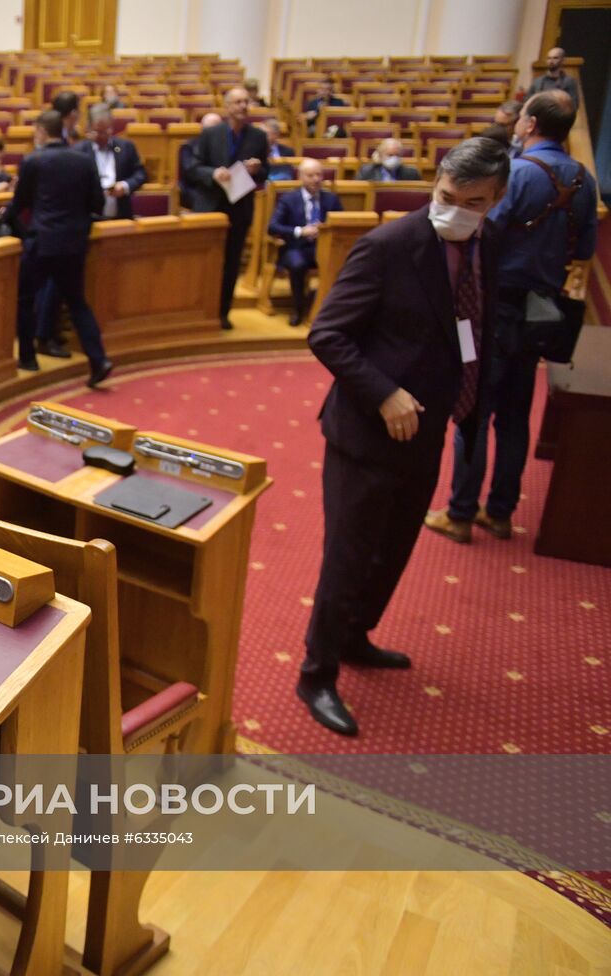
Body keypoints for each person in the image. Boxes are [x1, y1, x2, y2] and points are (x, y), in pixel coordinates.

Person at [300, 138, 509, 737]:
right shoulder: (388, 246)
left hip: (431, 426)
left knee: (392, 550)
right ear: (435, 184)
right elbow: (329, 335)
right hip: (367, 431)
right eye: (445, 196)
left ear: (494, 201)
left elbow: (473, 324)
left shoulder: (488, 242)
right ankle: (316, 672)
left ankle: (356, 635)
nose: (454, 210)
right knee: (348, 554)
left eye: (471, 202)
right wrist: (383, 391)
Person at [426, 94, 597, 545]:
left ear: (532, 123)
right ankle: (500, 513)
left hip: (496, 305)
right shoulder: (584, 180)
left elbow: (478, 232)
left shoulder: (515, 174)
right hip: (543, 311)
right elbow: (583, 251)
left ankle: (460, 513)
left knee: (474, 413)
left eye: (522, 116)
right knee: (516, 416)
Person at [3, 110, 112, 386]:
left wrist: (15, 227)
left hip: (42, 242)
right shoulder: (84, 160)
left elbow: (20, 204)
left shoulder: (33, 161)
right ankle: (98, 359)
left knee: (25, 299)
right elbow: (97, 203)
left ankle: (27, 357)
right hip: (74, 244)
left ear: (41, 131)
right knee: (77, 303)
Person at [186, 88, 268, 329]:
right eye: (238, 102)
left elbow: (266, 172)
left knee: (231, 263)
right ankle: (199, 309)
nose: (243, 106)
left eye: (246, 101)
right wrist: (213, 173)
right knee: (205, 261)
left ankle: (223, 312)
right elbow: (193, 168)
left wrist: (256, 170)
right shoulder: (211, 134)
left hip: (239, 206)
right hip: (211, 205)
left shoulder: (258, 137)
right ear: (227, 107)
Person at [268, 159, 343, 325]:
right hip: (295, 248)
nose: (316, 179)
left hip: (323, 247)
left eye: (319, 175)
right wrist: (300, 231)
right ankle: (298, 309)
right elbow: (273, 227)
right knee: (297, 264)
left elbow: (341, 224)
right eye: (311, 175)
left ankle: (326, 307)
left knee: (343, 263)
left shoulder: (331, 199)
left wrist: (325, 228)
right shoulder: (289, 199)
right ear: (301, 177)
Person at [75, 103, 146, 219]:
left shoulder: (125, 147)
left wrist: (125, 186)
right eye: (97, 131)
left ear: (111, 127)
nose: (102, 136)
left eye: (106, 131)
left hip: (121, 217)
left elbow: (141, 174)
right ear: (89, 128)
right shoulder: (79, 151)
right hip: (89, 218)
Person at [178, 111, 222, 209]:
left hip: (218, 189)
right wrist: (213, 174)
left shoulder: (224, 147)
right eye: (208, 129)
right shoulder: (189, 146)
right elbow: (191, 173)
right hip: (194, 190)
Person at [527, 47, 580, 113]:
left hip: (558, 118)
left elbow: (574, 105)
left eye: (555, 58)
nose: (551, 61)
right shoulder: (538, 81)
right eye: (549, 58)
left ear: (563, 60)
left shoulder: (568, 81)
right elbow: (527, 101)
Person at [356, 138, 420, 181]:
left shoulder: (412, 174)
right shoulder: (367, 172)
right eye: (390, 155)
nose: (394, 158)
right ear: (380, 155)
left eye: (397, 155)